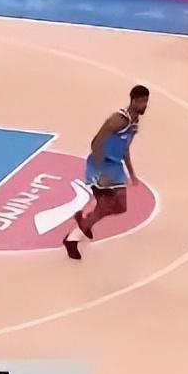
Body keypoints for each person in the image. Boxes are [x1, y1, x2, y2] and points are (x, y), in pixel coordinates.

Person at [61, 85, 150, 261]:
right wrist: (101, 171)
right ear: (133, 101)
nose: (145, 105)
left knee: (120, 207)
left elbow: (124, 148)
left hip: (115, 167)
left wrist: (131, 173)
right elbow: (95, 143)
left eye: (146, 101)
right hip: (101, 166)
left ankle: (84, 220)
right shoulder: (118, 120)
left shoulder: (134, 123)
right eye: (142, 102)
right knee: (106, 205)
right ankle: (71, 239)